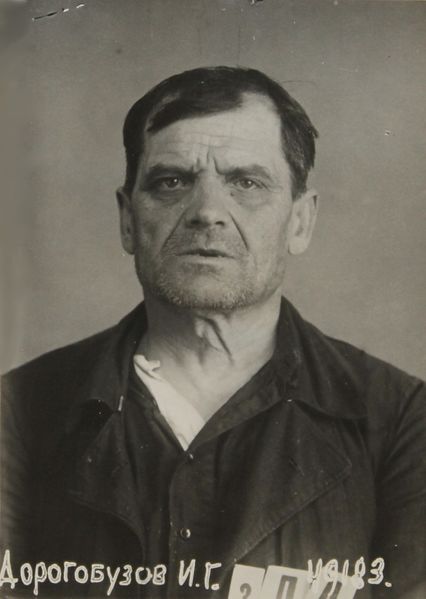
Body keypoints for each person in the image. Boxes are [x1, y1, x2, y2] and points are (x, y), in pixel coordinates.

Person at [1, 66, 425, 599]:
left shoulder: (404, 421)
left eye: (246, 183)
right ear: (128, 220)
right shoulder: (17, 412)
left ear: (300, 222)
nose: (206, 212)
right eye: (171, 182)